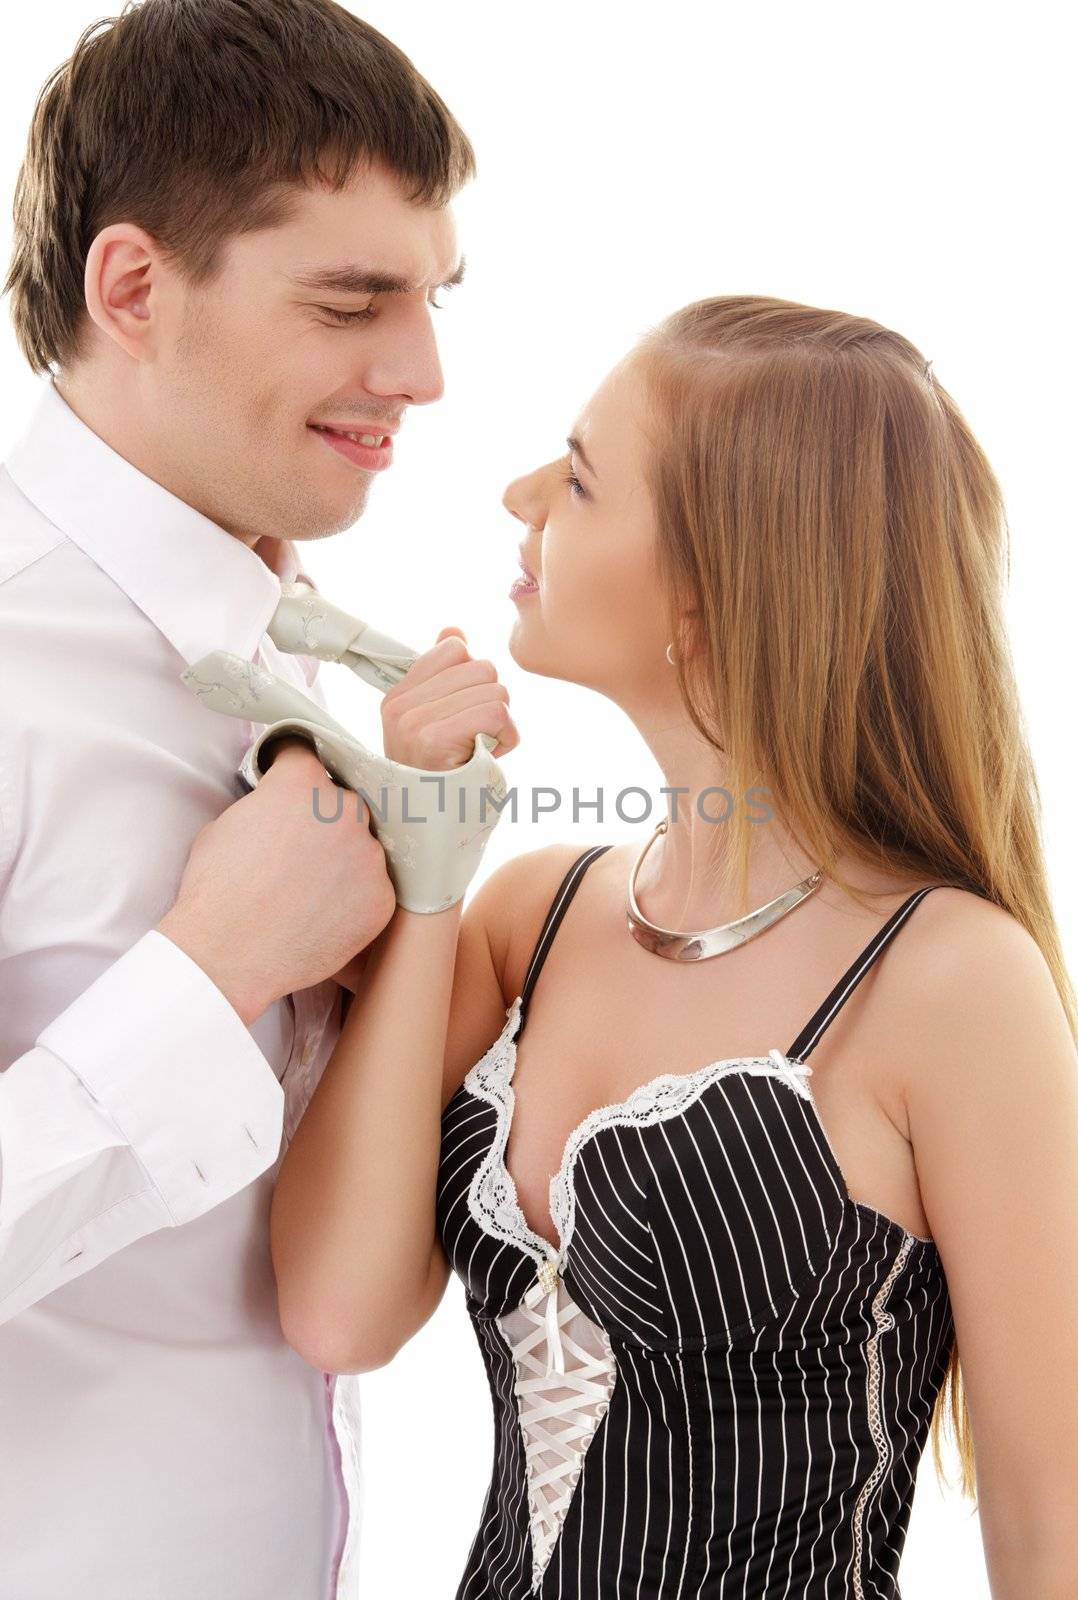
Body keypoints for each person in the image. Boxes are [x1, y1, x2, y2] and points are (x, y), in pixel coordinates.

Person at [269, 300, 1078, 1597]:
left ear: (708, 600)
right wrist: (430, 873)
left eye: (581, 479)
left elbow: (1051, 1531)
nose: (521, 493)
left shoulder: (950, 982)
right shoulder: (527, 919)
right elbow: (337, 1312)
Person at [0, 3, 514, 1596]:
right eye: (353, 301)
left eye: (431, 299)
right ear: (135, 287)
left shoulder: (301, 657)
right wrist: (212, 972)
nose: (421, 373)